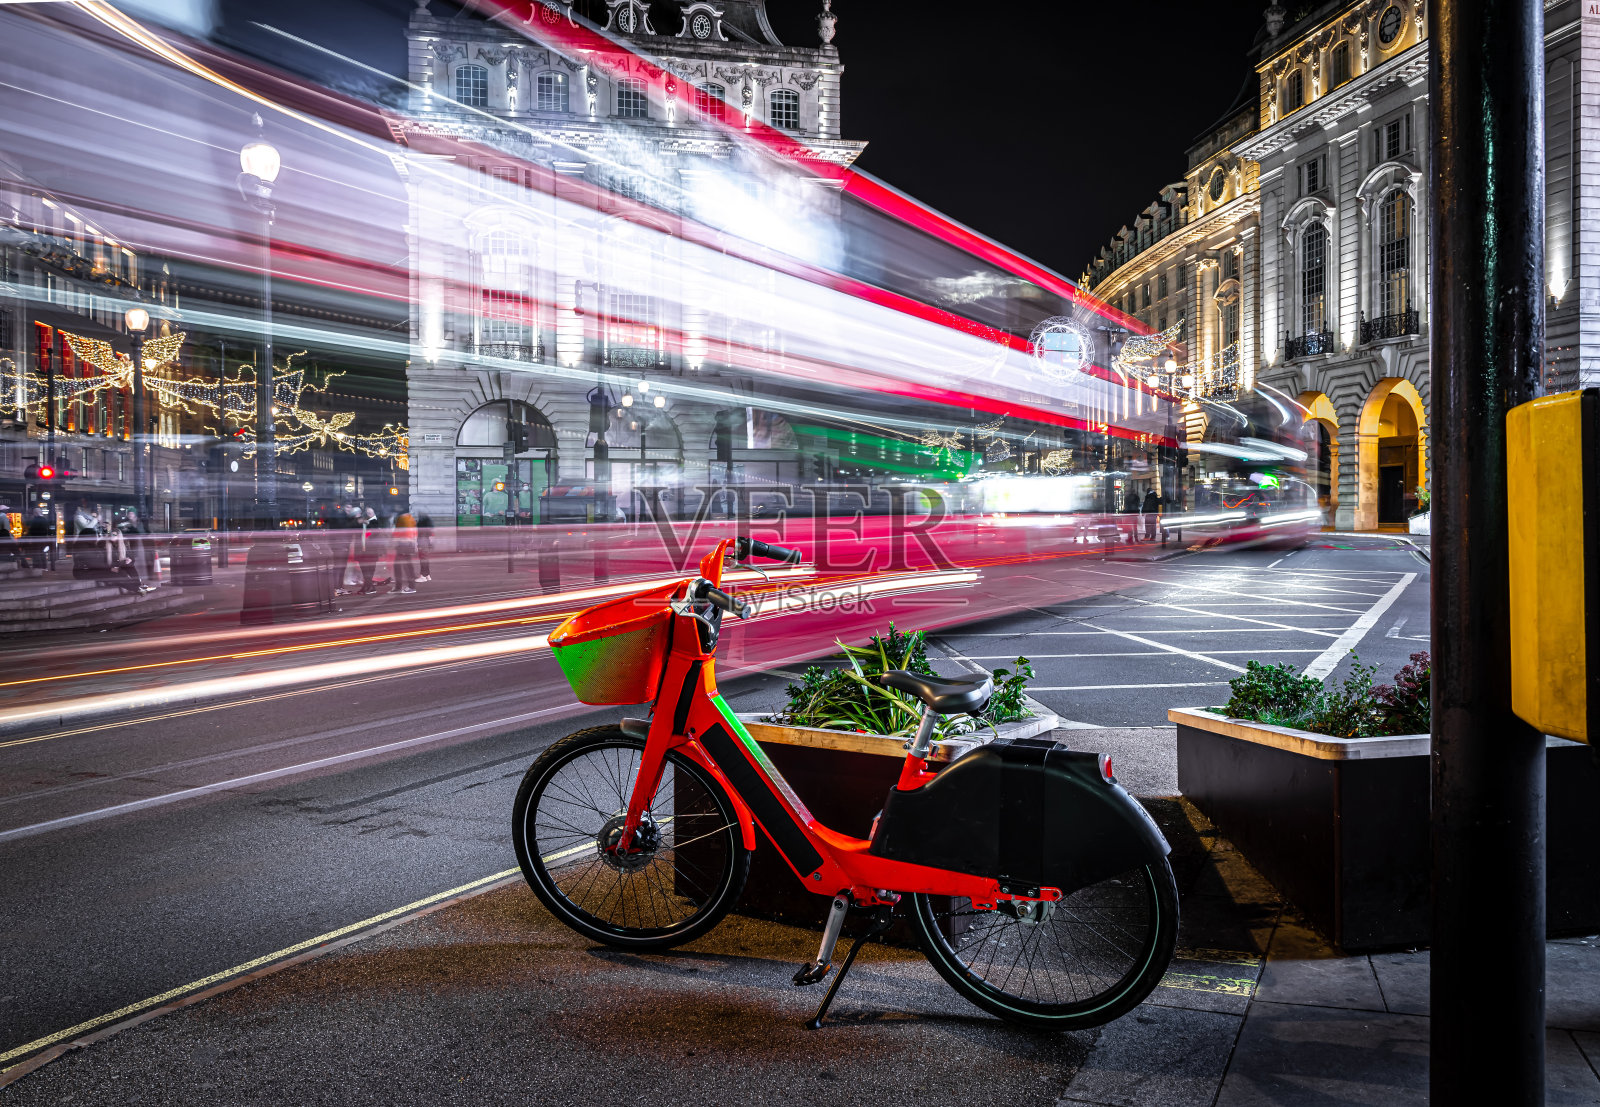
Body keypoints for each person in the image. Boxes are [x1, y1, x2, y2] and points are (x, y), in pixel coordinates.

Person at [357, 507, 389, 594]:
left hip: (370, 550)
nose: (368, 514)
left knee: (369, 569)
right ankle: (368, 586)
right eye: (367, 512)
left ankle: (370, 587)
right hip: (362, 550)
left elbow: (371, 533)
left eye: (370, 512)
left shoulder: (374, 522)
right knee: (364, 569)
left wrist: (365, 525)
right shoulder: (364, 522)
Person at [392, 512, 418, 594]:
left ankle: (409, 586)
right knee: (405, 566)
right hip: (407, 545)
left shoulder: (403, 519)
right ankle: (401, 586)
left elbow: (399, 533)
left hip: (403, 545)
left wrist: (396, 540)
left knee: (404, 566)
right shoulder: (410, 518)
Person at [415, 514, 434, 583]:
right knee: (425, 560)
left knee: (423, 560)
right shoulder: (428, 527)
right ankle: (427, 575)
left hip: (422, 543)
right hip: (426, 543)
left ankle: (423, 576)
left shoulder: (421, 527)